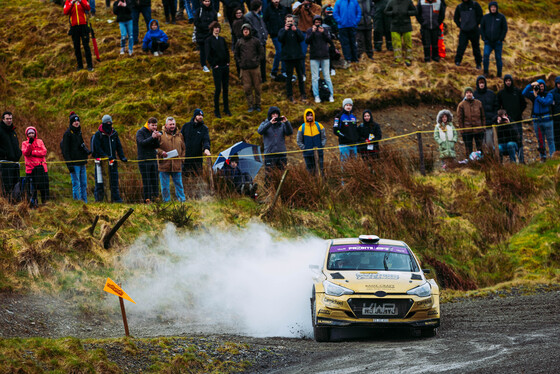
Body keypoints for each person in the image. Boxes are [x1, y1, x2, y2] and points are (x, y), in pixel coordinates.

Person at [91, 115, 128, 203]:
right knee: (100, 181)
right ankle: (99, 199)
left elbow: (118, 146)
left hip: (113, 161)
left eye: (110, 123)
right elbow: (97, 148)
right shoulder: (98, 135)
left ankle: (116, 198)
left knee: (114, 180)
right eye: (107, 123)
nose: (109, 125)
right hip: (101, 163)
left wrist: (122, 156)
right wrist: (106, 156)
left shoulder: (114, 134)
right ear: (103, 123)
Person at [61, 111, 91, 203]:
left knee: (84, 184)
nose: (76, 123)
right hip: (74, 164)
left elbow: (81, 145)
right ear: (71, 122)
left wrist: (86, 152)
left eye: (78, 121)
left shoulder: (79, 132)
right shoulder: (67, 134)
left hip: (82, 162)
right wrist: (69, 164)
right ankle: (78, 203)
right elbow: (65, 151)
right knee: (76, 184)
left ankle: (84, 202)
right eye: (74, 121)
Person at [522, 79, 555, 161]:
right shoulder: (534, 95)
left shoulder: (549, 94)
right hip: (537, 121)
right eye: (539, 86)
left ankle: (553, 157)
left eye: (542, 86)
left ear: (544, 86)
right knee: (540, 141)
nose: (541, 88)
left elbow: (546, 102)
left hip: (547, 121)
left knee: (550, 140)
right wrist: (531, 85)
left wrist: (537, 97)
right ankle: (543, 157)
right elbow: (524, 93)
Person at [497, 74, 527, 163]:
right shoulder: (501, 93)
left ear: (512, 81)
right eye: (506, 81)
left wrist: (519, 113)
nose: (508, 82)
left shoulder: (517, 91)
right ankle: (511, 161)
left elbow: (524, 103)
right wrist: (503, 116)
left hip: (517, 120)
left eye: (509, 80)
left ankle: (521, 160)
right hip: (506, 121)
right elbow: (498, 106)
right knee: (508, 140)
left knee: (519, 139)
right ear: (504, 82)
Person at [235, 24, 264, 112]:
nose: (246, 31)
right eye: (244, 30)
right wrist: (240, 63)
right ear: (242, 31)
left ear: (250, 31)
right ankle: (250, 105)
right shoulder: (239, 42)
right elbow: (236, 54)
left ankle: (258, 104)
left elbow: (261, 53)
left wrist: (257, 61)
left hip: (255, 68)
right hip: (244, 69)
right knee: (247, 88)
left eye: (247, 30)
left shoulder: (256, 41)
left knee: (257, 88)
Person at [205, 22, 231, 118]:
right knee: (218, 89)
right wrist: (213, 65)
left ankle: (226, 108)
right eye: (215, 28)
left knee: (226, 88)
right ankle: (217, 110)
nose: (217, 29)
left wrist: (228, 62)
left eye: (218, 28)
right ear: (212, 29)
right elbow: (208, 54)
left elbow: (227, 51)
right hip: (217, 68)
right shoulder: (209, 40)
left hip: (225, 66)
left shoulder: (222, 39)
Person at [306, 15, 334, 103]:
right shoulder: (310, 30)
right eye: (316, 22)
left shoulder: (325, 30)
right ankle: (316, 95)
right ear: (314, 22)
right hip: (314, 57)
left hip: (325, 56)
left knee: (327, 76)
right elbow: (307, 41)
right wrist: (313, 32)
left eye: (319, 22)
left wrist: (324, 33)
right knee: (315, 77)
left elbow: (330, 41)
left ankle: (331, 95)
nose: (318, 24)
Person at [258, 106, 293, 176]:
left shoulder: (282, 125)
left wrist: (286, 122)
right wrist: (270, 123)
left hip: (281, 154)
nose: (275, 115)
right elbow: (260, 131)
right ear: (270, 115)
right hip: (269, 155)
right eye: (273, 114)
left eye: (276, 114)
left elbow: (289, 132)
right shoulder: (265, 123)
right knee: (269, 176)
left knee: (282, 175)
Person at [278, 14, 306, 102]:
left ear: (293, 21)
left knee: (300, 77)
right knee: (289, 77)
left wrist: (296, 30)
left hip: (297, 57)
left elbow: (302, 38)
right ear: (285, 22)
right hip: (288, 58)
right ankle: (290, 95)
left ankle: (303, 94)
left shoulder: (296, 30)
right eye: (288, 21)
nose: (290, 23)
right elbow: (280, 39)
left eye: (291, 21)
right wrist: (285, 30)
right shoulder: (282, 30)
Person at [157, 117, 186, 202]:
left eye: (173, 124)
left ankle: (182, 201)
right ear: (166, 125)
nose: (172, 126)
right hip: (164, 165)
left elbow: (183, 149)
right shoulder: (160, 135)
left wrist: (182, 160)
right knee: (165, 187)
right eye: (170, 124)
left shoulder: (180, 135)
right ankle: (166, 202)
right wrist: (161, 153)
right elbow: (155, 148)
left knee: (179, 185)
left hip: (177, 165)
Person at [63, 0, 94, 71]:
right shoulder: (68, 1)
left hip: (83, 26)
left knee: (86, 46)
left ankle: (90, 65)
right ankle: (80, 66)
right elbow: (65, 12)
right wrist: (72, 3)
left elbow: (88, 8)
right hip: (74, 27)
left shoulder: (83, 0)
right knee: (76, 47)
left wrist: (81, 1)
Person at [136, 117, 161, 203]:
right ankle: (147, 199)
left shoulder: (153, 133)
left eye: (156, 125)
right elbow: (142, 143)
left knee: (155, 180)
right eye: (153, 125)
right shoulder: (140, 132)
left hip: (153, 160)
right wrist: (152, 137)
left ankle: (156, 198)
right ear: (148, 124)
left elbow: (156, 146)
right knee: (146, 180)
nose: (154, 127)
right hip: (144, 160)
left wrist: (156, 138)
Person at [21, 127, 49, 205]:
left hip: (42, 168)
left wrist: (33, 152)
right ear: (27, 134)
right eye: (29, 133)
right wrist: (29, 145)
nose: (31, 135)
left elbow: (44, 152)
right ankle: (33, 204)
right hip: (31, 169)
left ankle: (45, 204)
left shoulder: (40, 141)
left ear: (35, 133)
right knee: (32, 188)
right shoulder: (25, 143)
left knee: (44, 188)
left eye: (32, 133)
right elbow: (25, 153)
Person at [384, 0, 417, 67]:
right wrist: (392, 12)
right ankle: (397, 60)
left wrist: (407, 12)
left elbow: (415, 11)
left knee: (408, 43)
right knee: (396, 44)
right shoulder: (391, 2)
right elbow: (385, 12)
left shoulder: (408, 1)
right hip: (395, 26)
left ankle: (408, 59)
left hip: (406, 26)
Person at [294, 0, 322, 75]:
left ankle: (317, 70)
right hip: (303, 31)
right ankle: (302, 72)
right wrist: (301, 6)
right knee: (302, 53)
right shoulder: (301, 7)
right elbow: (294, 13)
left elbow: (317, 18)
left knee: (316, 52)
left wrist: (309, 11)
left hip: (313, 31)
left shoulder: (317, 7)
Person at [480, 1, 507, 77]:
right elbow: (481, 28)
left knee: (498, 58)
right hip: (488, 42)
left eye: (494, 7)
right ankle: (485, 72)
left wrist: (501, 39)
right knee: (485, 55)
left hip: (498, 42)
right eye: (492, 7)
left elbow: (504, 29)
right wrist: (484, 38)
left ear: (496, 8)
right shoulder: (485, 17)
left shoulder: (501, 17)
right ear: (489, 8)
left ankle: (499, 74)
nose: (493, 8)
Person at [244, 0, 269, 82]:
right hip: (255, 42)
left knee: (262, 60)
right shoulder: (248, 16)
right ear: (259, 7)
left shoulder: (259, 15)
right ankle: (256, 78)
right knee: (256, 61)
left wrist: (265, 35)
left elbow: (263, 26)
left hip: (262, 41)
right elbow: (252, 29)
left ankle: (263, 78)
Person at [264, 0, 289, 80]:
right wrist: (269, 30)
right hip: (275, 34)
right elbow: (265, 20)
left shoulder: (283, 9)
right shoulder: (268, 9)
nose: (276, 1)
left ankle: (284, 71)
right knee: (279, 51)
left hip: (284, 33)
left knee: (284, 51)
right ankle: (274, 71)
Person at [453, 0, 483, 69]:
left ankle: (478, 63)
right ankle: (457, 61)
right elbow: (456, 18)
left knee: (476, 48)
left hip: (474, 31)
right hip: (464, 32)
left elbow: (480, 16)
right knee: (461, 47)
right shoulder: (459, 7)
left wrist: (475, 25)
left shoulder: (475, 5)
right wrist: (460, 26)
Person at [181, 109, 211, 175]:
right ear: (195, 116)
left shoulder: (204, 128)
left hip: (197, 158)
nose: (201, 117)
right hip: (186, 157)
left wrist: (206, 148)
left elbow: (206, 140)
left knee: (197, 177)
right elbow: (180, 139)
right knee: (185, 177)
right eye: (199, 115)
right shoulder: (186, 126)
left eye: (202, 115)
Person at [456, 87, 485, 158]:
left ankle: (481, 160)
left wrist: (483, 127)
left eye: (470, 92)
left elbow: (483, 116)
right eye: (467, 93)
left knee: (480, 147)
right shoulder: (461, 105)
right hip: (467, 130)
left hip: (478, 129)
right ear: (465, 94)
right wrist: (462, 130)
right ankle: (470, 162)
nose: (469, 94)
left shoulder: (479, 103)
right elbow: (460, 119)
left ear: (473, 94)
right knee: (468, 148)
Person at [297, 108, 327, 174]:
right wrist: (304, 148)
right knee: (310, 172)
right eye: (308, 116)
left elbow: (324, 138)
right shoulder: (302, 128)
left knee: (320, 171)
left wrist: (321, 146)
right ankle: (312, 184)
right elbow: (299, 141)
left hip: (319, 153)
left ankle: (321, 184)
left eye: (311, 115)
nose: (310, 117)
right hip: (307, 155)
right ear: (305, 117)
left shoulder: (319, 126)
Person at [0, 112, 22, 199]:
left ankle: (14, 203)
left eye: (10, 119)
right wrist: (4, 154)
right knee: (6, 186)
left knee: (15, 185)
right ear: (3, 119)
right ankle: (6, 204)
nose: (9, 120)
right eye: (7, 119)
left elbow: (16, 145)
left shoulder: (13, 131)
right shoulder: (0, 130)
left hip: (15, 163)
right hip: (4, 163)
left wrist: (18, 153)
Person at [473, 75, 498, 151]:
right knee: (481, 146)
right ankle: (483, 161)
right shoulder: (474, 95)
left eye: (483, 83)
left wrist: (494, 117)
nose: (481, 84)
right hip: (479, 125)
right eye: (480, 83)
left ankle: (492, 160)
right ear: (477, 84)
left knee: (490, 144)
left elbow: (496, 106)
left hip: (490, 124)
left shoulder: (491, 94)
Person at [195, 0, 218, 72]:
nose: (207, 3)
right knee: (203, 50)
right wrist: (205, 27)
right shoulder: (199, 11)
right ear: (202, 2)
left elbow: (215, 21)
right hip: (201, 34)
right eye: (205, 1)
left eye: (208, 1)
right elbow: (196, 22)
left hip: (210, 34)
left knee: (211, 50)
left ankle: (212, 64)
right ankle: (204, 65)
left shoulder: (213, 11)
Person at [549, 76, 560, 154]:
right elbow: (550, 106)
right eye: (558, 84)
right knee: (556, 136)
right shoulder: (552, 93)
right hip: (555, 119)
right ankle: (557, 152)